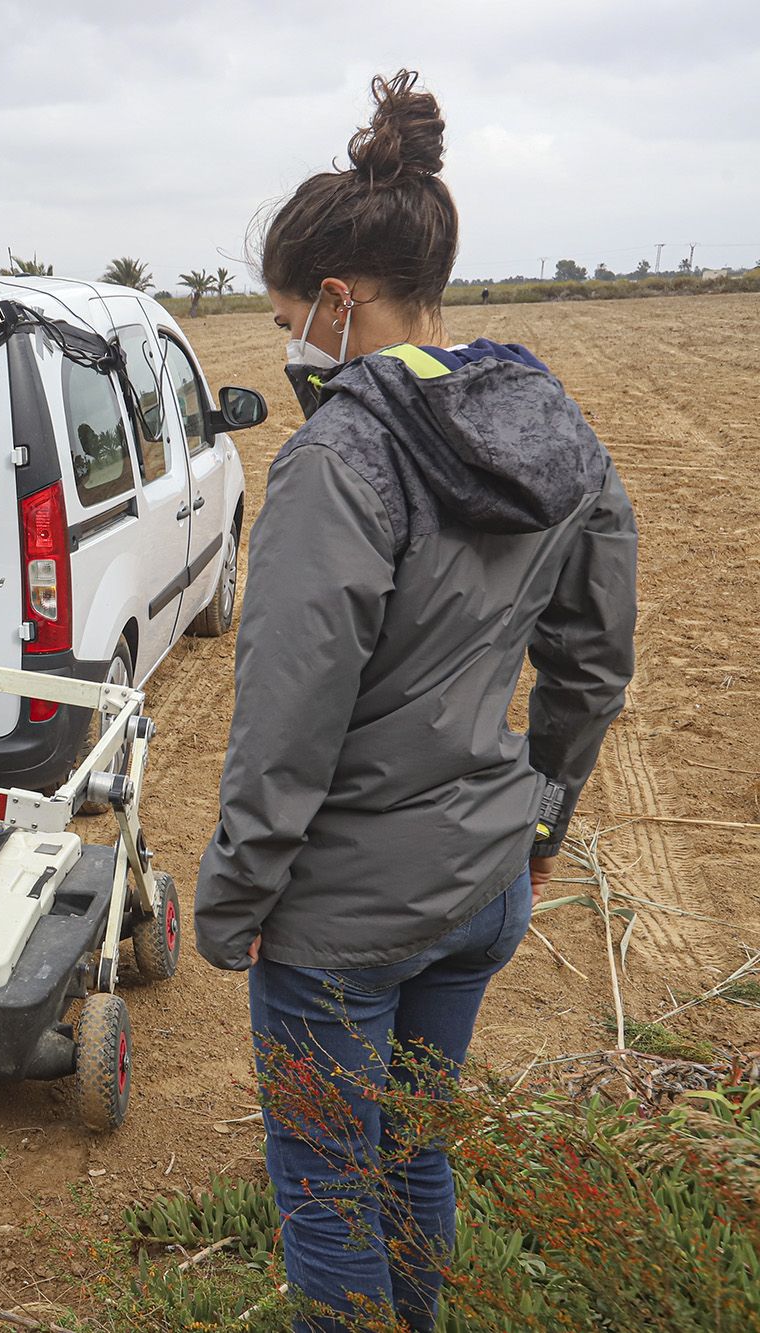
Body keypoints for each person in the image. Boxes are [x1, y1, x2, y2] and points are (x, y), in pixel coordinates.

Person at [193, 70, 637, 1332]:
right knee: (414, 1147)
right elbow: (591, 661)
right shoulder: (553, 425)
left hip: (345, 911)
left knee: (326, 1186)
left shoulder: (335, 459)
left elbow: (285, 720)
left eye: (285, 315)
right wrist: (540, 824)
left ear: (335, 301)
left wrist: (235, 906)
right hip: (482, 883)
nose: (285, 345)